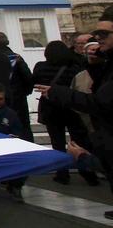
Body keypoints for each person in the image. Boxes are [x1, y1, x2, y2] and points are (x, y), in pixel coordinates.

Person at [37, 14, 113, 220]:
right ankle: (87, 172)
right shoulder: (80, 64)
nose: (98, 38)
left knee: (61, 142)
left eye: (103, 34)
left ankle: (72, 169)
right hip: (73, 112)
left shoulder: (44, 67)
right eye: (96, 34)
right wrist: (97, 64)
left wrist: (56, 92)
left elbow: (99, 101)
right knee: (75, 141)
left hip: (67, 109)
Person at [32, 40, 97, 185]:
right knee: (79, 140)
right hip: (70, 107)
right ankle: (87, 171)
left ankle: (62, 173)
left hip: (51, 109)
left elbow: (34, 82)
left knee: (57, 143)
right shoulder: (74, 68)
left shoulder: (40, 67)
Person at [0, 31, 35, 144]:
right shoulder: (17, 58)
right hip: (18, 97)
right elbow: (28, 77)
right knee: (23, 126)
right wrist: (25, 92)